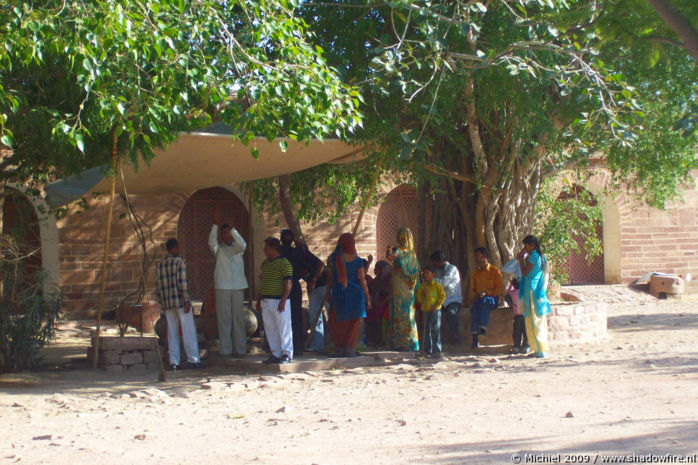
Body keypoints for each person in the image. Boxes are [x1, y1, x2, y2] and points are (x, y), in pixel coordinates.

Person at [155, 239, 201, 371]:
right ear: (174, 248)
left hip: (168, 303)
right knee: (188, 331)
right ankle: (193, 359)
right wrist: (186, 300)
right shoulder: (179, 262)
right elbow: (182, 283)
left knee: (172, 333)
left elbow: (157, 286)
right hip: (180, 301)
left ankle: (173, 361)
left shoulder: (160, 264)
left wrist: (162, 302)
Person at [209, 212, 249, 358]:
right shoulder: (218, 250)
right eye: (223, 233)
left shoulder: (237, 249)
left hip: (238, 287)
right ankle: (225, 350)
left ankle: (240, 349)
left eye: (226, 232)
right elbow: (211, 242)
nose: (224, 235)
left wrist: (233, 229)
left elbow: (243, 244)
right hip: (223, 288)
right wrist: (215, 226)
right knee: (224, 319)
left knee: (238, 318)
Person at [325, 233, 371, 357]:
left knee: (338, 322)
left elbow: (329, 277)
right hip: (356, 295)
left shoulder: (333, 258)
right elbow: (362, 280)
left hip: (341, 294)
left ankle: (340, 348)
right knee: (353, 323)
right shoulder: (357, 261)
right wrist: (367, 297)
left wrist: (328, 292)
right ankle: (349, 348)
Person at [256, 237, 294, 364]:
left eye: (267, 248)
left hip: (279, 300)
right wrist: (259, 299)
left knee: (283, 327)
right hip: (267, 301)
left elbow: (288, 282)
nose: (264, 250)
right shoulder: (266, 264)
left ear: (274, 248)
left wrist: (283, 300)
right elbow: (263, 282)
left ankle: (286, 354)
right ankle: (275, 353)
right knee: (270, 328)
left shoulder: (284, 263)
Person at [516, 235, 551, 358]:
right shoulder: (542, 257)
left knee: (532, 320)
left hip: (530, 290)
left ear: (532, 245)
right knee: (538, 319)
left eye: (526, 246)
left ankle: (539, 349)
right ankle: (538, 348)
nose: (525, 248)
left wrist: (521, 261)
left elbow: (525, 273)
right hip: (537, 291)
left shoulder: (533, 257)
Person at [387, 226, 420, 352]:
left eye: (403, 237)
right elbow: (390, 257)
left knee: (405, 313)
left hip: (404, 288)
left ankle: (406, 342)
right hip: (402, 288)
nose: (402, 239)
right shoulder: (403, 252)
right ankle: (404, 342)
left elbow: (415, 272)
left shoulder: (407, 253)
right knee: (403, 313)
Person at [280, 229, 309, 357]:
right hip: (283, 285)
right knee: (285, 317)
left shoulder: (294, 252)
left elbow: (306, 257)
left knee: (295, 317)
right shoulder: (282, 252)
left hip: (293, 286)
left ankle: (297, 347)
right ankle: (289, 347)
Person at [469, 246, 504, 349]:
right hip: (480, 299)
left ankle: (483, 327)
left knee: (484, 302)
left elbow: (499, 289)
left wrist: (487, 293)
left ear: (484, 256)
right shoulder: (475, 273)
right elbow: (472, 289)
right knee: (474, 309)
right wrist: (476, 295)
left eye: (477, 256)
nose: (476, 258)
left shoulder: (495, 271)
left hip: (492, 299)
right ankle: (475, 339)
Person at [430, 251, 463, 344]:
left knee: (451, 313)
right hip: (442, 300)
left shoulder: (452, 269)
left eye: (434, 263)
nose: (434, 265)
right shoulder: (439, 271)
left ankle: (456, 339)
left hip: (453, 300)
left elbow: (444, 283)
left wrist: (431, 279)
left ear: (440, 261)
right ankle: (435, 341)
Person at [415, 266, 446, 357]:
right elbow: (419, 298)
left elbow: (442, 296)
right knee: (426, 330)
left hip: (435, 311)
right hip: (425, 310)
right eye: (424, 273)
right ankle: (427, 350)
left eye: (427, 273)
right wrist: (423, 295)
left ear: (433, 274)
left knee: (435, 330)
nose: (425, 275)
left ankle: (437, 350)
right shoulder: (422, 286)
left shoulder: (437, 285)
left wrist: (436, 305)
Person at [302, 244, 328, 352]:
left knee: (332, 312)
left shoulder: (307, 256)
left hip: (324, 286)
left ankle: (338, 343)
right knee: (314, 316)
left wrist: (314, 280)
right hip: (314, 290)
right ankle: (318, 345)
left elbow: (321, 264)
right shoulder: (297, 262)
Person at [365, 259, 390, 346]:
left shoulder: (388, 281)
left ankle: (383, 340)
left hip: (385, 305)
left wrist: (382, 302)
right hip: (377, 305)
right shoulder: (376, 280)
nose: (375, 270)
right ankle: (376, 339)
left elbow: (388, 294)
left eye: (377, 268)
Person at [505, 277, 529, 354]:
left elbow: (507, 293)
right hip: (526, 315)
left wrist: (512, 283)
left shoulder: (512, 294)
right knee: (526, 332)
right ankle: (526, 346)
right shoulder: (526, 293)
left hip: (517, 316)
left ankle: (516, 346)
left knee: (516, 332)